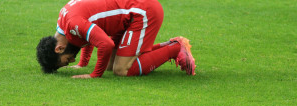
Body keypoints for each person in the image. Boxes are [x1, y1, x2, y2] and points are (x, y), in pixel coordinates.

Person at [36, 0, 196, 79]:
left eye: (64, 61)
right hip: (128, 17)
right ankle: (169, 45)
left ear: (59, 48)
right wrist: (82, 63)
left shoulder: (72, 24)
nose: (69, 61)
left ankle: (175, 49)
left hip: (143, 12)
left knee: (121, 70)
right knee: (110, 66)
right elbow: (87, 34)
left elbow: (105, 43)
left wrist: (94, 75)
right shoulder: (64, 22)